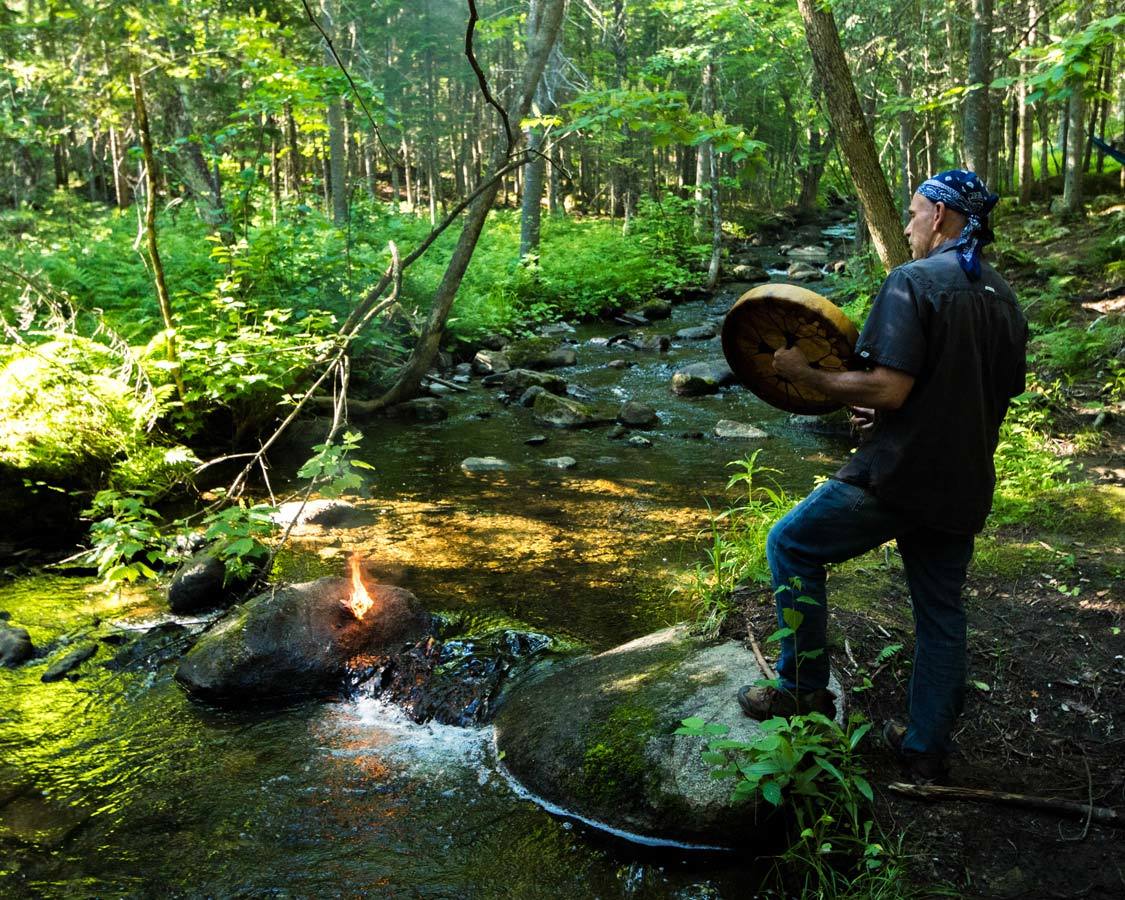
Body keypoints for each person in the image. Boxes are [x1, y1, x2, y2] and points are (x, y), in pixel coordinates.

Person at [737, 170, 1029, 784]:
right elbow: (964, 388)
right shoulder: (1004, 298)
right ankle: (924, 751)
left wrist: (806, 372)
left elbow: (891, 386)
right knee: (941, 612)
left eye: (915, 212)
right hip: (964, 479)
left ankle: (801, 691)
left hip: (897, 474)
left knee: (789, 544)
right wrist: (884, 400)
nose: (908, 224)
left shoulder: (913, 281)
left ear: (943, 218)